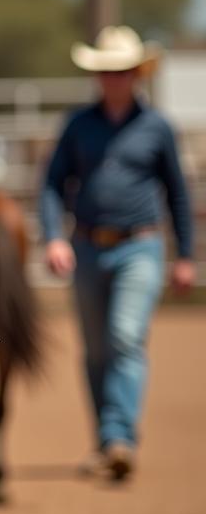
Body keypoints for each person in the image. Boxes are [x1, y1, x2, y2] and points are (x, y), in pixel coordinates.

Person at [41, 25, 195, 482]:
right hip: (87, 246)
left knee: (125, 337)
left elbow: (179, 194)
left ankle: (119, 436)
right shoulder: (77, 126)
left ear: (137, 74)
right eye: (107, 71)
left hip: (140, 247)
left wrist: (185, 255)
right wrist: (53, 236)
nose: (114, 78)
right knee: (94, 349)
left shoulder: (157, 128)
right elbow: (52, 184)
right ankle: (108, 442)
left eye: (122, 70)